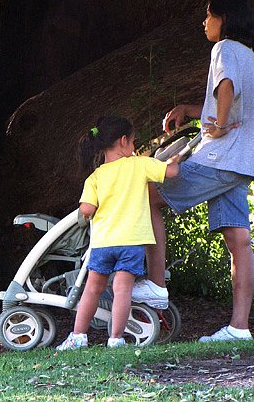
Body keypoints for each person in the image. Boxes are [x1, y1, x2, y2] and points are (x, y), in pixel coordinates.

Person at [131, 0, 254, 342]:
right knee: (239, 240)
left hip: (220, 158)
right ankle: (239, 328)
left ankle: (156, 286)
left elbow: (226, 87)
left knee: (148, 195)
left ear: (225, 19)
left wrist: (218, 126)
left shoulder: (223, 49)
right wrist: (191, 110)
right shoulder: (249, 56)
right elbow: (235, 100)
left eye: (209, 15)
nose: (204, 22)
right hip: (241, 163)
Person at [57, 116, 179, 350]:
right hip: (131, 242)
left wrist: (87, 213)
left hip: (103, 242)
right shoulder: (139, 164)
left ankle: (78, 335)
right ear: (124, 141)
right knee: (122, 290)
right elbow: (170, 172)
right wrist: (176, 158)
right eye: (133, 141)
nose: (134, 147)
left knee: (92, 288)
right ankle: (116, 339)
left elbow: (87, 209)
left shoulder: (96, 177)